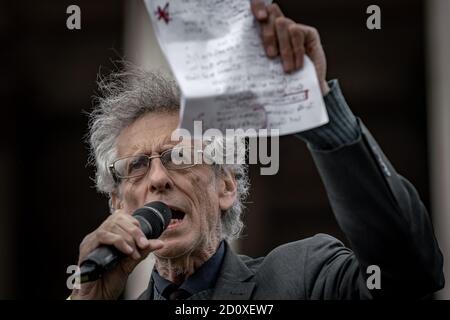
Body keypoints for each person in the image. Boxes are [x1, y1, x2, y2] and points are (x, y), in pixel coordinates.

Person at [70, 0, 444, 300]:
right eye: (136, 165)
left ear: (226, 186)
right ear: (117, 204)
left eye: (179, 156)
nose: (157, 178)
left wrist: (320, 110)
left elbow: (409, 274)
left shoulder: (302, 276)